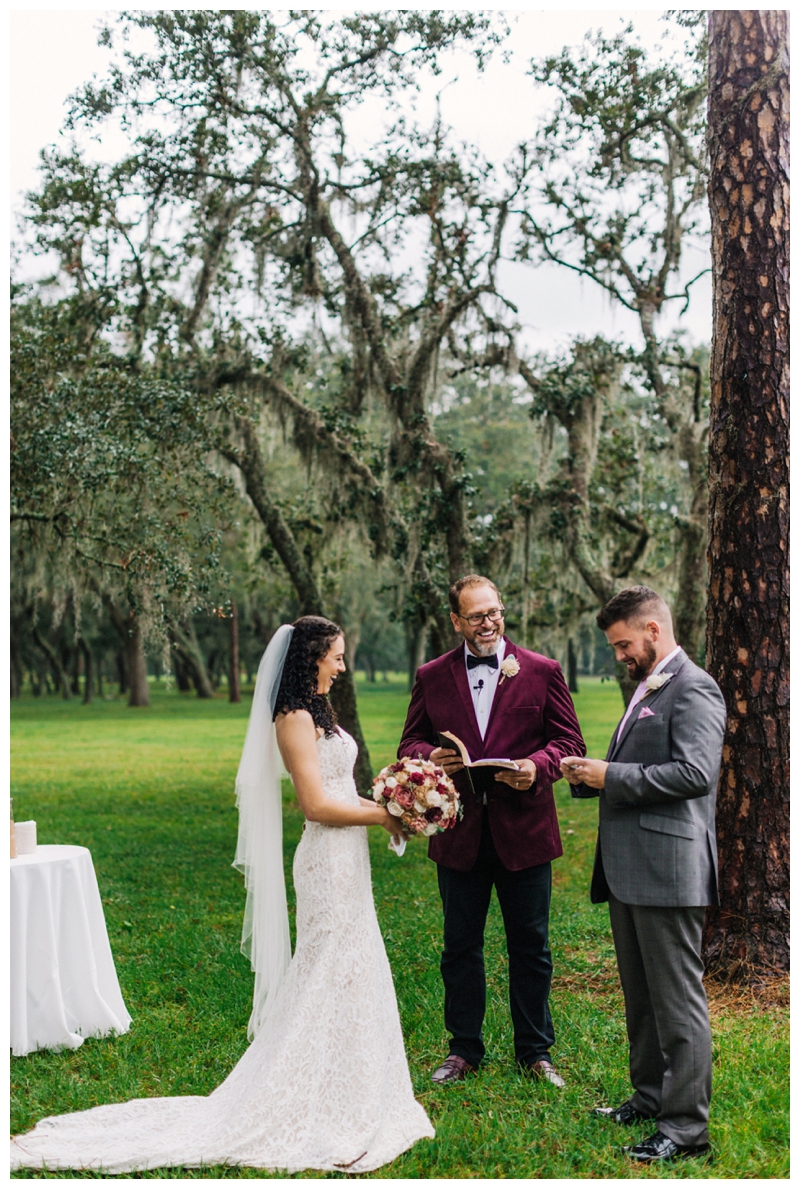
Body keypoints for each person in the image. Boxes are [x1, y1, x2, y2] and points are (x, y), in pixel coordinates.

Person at [11, 616, 434, 1175]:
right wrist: (386, 814)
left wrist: (396, 806)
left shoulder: (324, 713)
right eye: (335, 655)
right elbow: (314, 804)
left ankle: (356, 1088)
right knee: (327, 964)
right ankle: (301, 1095)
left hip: (349, 858)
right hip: (325, 859)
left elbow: (343, 790)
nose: (342, 664)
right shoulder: (292, 717)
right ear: (311, 658)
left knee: (354, 965)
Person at [561, 586, 726, 1165]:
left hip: (669, 867)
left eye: (624, 644)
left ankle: (685, 1130)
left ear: (653, 629)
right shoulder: (646, 688)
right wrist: (587, 776)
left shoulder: (695, 687)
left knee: (678, 1004)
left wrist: (612, 776)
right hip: (631, 870)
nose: (620, 656)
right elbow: (641, 764)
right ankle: (650, 1096)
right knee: (643, 1000)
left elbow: (694, 773)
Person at [398, 575, 585, 1087]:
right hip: (458, 832)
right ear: (456, 621)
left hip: (525, 829)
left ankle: (535, 1052)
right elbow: (410, 740)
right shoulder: (433, 675)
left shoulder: (541, 670)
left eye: (495, 613)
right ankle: (463, 1051)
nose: (489, 623)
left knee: (531, 945)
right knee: (460, 946)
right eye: (477, 616)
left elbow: (568, 739)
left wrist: (536, 766)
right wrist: (426, 757)